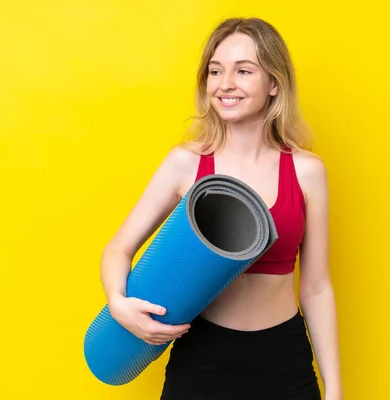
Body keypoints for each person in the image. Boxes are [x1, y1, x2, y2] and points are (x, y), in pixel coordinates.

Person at [99, 17, 343, 400]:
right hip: (202, 358)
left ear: (274, 83)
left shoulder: (307, 171)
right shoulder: (187, 163)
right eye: (215, 71)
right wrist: (117, 302)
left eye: (243, 71)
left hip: (284, 359)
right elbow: (118, 248)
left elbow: (316, 287)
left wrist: (335, 390)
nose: (225, 84)